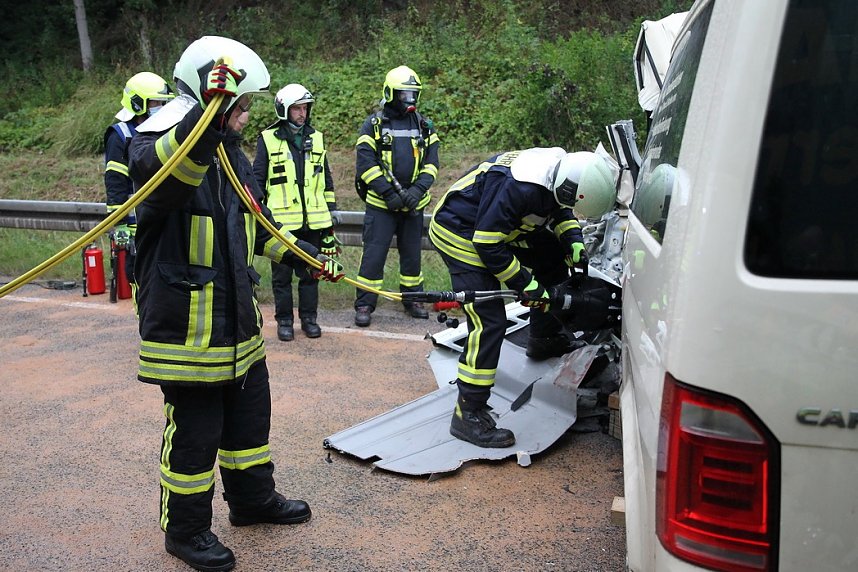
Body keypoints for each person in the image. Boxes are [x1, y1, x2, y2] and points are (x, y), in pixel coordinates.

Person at [128, 36, 344, 572]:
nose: (247, 115)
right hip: (186, 327)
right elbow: (165, 178)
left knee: (250, 421)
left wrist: (305, 257)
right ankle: (185, 531)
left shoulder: (231, 153)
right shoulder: (159, 137)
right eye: (240, 104)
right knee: (196, 434)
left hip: (238, 324)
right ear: (211, 98)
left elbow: (259, 223)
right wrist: (207, 123)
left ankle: (251, 502)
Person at [429, 148, 617, 448]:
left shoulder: (562, 174)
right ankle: (468, 413)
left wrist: (574, 242)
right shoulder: (521, 188)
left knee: (553, 256)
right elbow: (488, 244)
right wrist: (527, 285)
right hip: (462, 230)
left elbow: (561, 209)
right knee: (489, 320)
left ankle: (543, 339)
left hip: (500, 227)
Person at [353, 65, 440, 327]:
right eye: (404, 94)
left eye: (413, 94)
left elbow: (432, 164)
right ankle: (365, 303)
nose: (409, 100)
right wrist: (389, 193)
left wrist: (416, 191)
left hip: (414, 205)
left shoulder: (424, 125)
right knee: (374, 256)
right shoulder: (374, 125)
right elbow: (365, 165)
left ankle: (413, 299)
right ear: (391, 93)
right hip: (382, 205)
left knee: (412, 256)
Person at [253, 83, 339, 341]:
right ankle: (284, 321)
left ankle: (309, 319)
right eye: (296, 109)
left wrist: (330, 214)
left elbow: (327, 180)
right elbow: (258, 180)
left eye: (305, 108)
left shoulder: (317, 137)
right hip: (280, 223)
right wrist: (260, 215)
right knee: (281, 278)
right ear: (283, 110)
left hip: (313, 221)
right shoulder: (267, 139)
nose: (302, 114)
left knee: (312, 273)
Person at [104, 72, 174, 284]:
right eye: (156, 103)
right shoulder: (121, 135)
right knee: (143, 284)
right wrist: (120, 225)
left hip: (164, 220)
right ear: (138, 104)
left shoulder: (163, 130)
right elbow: (116, 182)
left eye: (163, 103)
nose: (160, 107)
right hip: (137, 225)